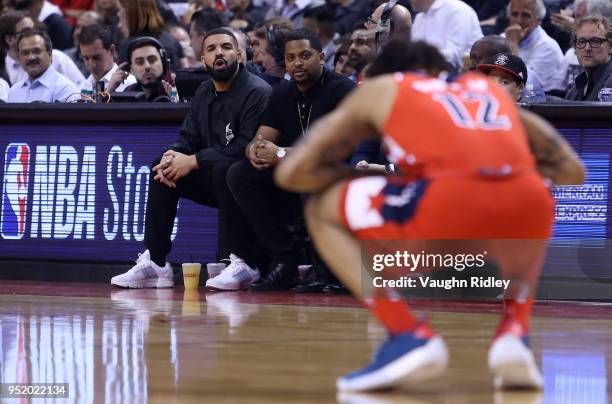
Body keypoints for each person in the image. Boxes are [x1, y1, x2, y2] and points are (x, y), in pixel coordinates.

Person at [275, 39, 584, 392]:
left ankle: (407, 334)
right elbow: (572, 172)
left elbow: (292, 173)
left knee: (320, 206)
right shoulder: (487, 92)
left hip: (446, 202)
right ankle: (515, 332)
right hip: (524, 205)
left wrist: (357, 175)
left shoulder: (384, 88)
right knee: (533, 193)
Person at [111, 29, 271, 289]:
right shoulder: (205, 91)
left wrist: (194, 160)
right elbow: (189, 136)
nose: (219, 52)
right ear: (203, 59)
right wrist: (172, 153)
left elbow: (246, 147)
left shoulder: (257, 91)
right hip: (217, 176)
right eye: (211, 48)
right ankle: (157, 263)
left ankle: (245, 262)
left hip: (254, 184)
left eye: (226, 47)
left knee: (227, 169)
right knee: (159, 168)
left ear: (240, 54)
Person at [220, 28, 355, 292]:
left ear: (321, 56)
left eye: (305, 56)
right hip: (297, 172)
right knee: (239, 173)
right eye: (291, 58)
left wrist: (280, 153)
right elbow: (259, 140)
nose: (297, 63)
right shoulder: (283, 93)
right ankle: (285, 260)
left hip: (340, 173)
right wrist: (254, 152)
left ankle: (325, 266)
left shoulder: (342, 90)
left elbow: (336, 151)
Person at [0, 11, 86, 87]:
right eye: (27, 31)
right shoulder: (3, 67)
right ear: (9, 39)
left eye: (34, 29)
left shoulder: (56, 57)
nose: (33, 34)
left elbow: (83, 89)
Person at [504, 0, 564, 92]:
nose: (519, 21)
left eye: (525, 15)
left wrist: (513, 44)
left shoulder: (548, 47)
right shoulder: (503, 37)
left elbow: (523, 87)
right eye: (514, 14)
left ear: (538, 20)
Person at [7, 29, 78, 102]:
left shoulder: (64, 89)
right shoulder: (14, 91)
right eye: (25, 53)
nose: (31, 57)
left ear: (50, 54)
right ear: (19, 57)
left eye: (36, 51)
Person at [410, 0, 483, 68]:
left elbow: (454, 56)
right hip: (431, 72)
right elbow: (414, 51)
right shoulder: (420, 17)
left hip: (462, 74)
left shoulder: (458, 10)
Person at [78, 24, 135, 94]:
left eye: (96, 57)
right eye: (86, 58)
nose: (91, 65)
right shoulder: (81, 87)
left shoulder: (130, 85)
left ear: (112, 50)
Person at [565, 15, 612, 101]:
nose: (587, 48)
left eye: (595, 41)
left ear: (610, 47)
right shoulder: (574, 91)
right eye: (581, 42)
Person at [114, 36, 174, 102]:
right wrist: (110, 90)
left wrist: (176, 101)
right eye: (140, 62)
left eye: (152, 60)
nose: (147, 66)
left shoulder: (176, 89)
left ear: (163, 62)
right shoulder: (129, 92)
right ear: (131, 69)